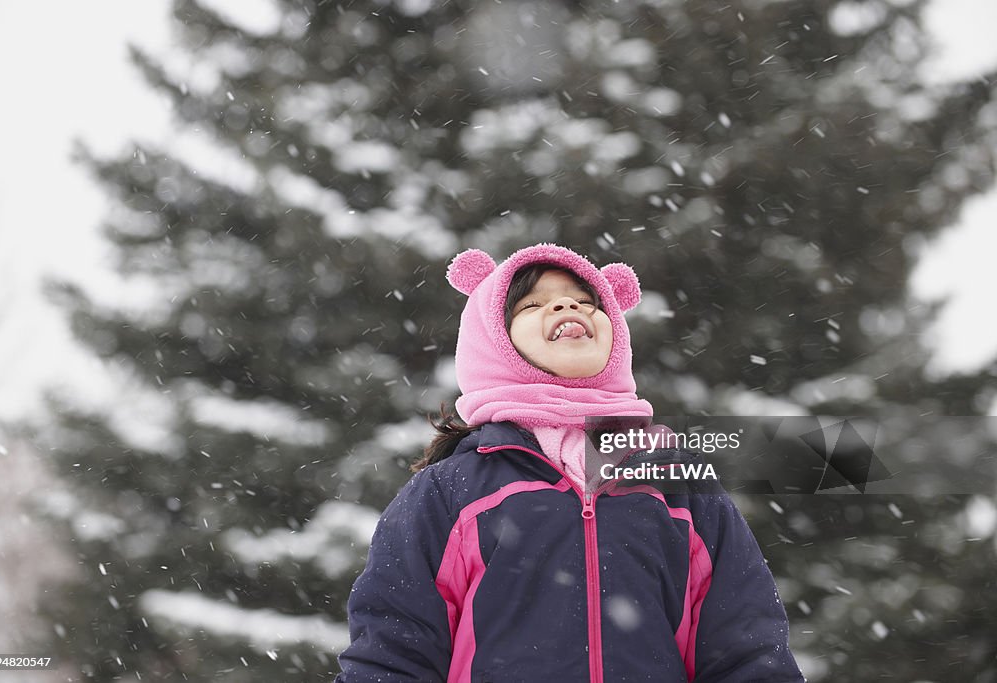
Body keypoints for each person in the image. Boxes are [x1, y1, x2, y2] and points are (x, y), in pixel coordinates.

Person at [335, 243, 804, 682]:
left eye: (586, 300)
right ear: (491, 341)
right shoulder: (450, 491)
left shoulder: (676, 485)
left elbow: (748, 644)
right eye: (532, 305)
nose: (567, 307)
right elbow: (393, 649)